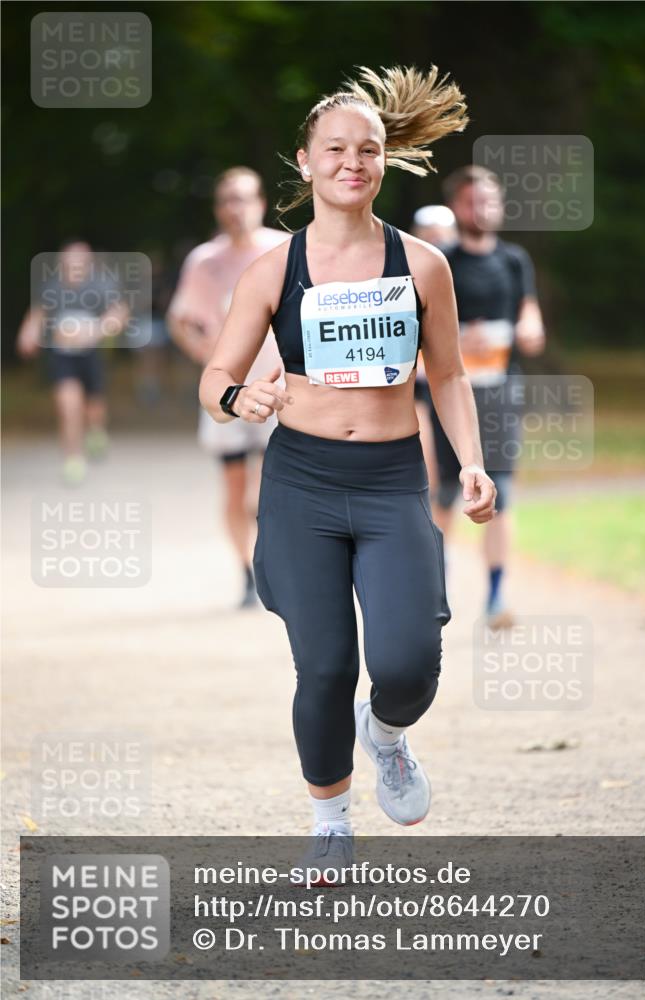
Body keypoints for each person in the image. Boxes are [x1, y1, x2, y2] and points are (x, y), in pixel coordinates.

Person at [200, 66, 496, 880]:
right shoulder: (273, 270)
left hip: (391, 478)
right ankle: (329, 823)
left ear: (383, 161)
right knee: (325, 666)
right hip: (301, 482)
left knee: (407, 665)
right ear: (305, 162)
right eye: (333, 149)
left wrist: (471, 462)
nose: (350, 163)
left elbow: (448, 375)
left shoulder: (421, 265)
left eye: (366, 150)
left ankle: (387, 732)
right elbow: (215, 379)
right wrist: (239, 396)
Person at [428, 166, 546, 628]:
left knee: (501, 493)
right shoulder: (440, 261)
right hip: (448, 394)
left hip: (500, 392)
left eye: (490, 200)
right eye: (473, 201)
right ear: (457, 207)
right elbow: (419, 330)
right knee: (444, 493)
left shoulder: (515, 260)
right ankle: (436, 589)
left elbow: (529, 313)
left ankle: (496, 597)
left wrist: (530, 329)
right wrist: (458, 340)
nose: (483, 209)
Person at [168, 168, 288, 608]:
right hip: (229, 392)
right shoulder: (205, 260)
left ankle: (276, 565)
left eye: (244, 199)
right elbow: (180, 319)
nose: (236, 209)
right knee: (235, 488)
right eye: (227, 200)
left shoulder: (285, 249)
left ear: (260, 203)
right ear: (219, 209)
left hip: (278, 387)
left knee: (269, 489)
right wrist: (205, 353)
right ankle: (247, 573)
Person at [16, 240, 129, 485]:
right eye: (70, 261)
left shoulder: (100, 285)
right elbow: (38, 313)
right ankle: (73, 459)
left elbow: (119, 312)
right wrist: (28, 333)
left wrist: (97, 330)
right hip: (62, 356)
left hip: (91, 354)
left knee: (94, 407)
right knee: (69, 405)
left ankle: (96, 432)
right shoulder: (53, 286)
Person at [410, 205, 459, 500]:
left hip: (455, 375)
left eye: (442, 236)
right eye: (429, 236)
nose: (436, 242)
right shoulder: (405, 272)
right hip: (415, 380)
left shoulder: (464, 275)